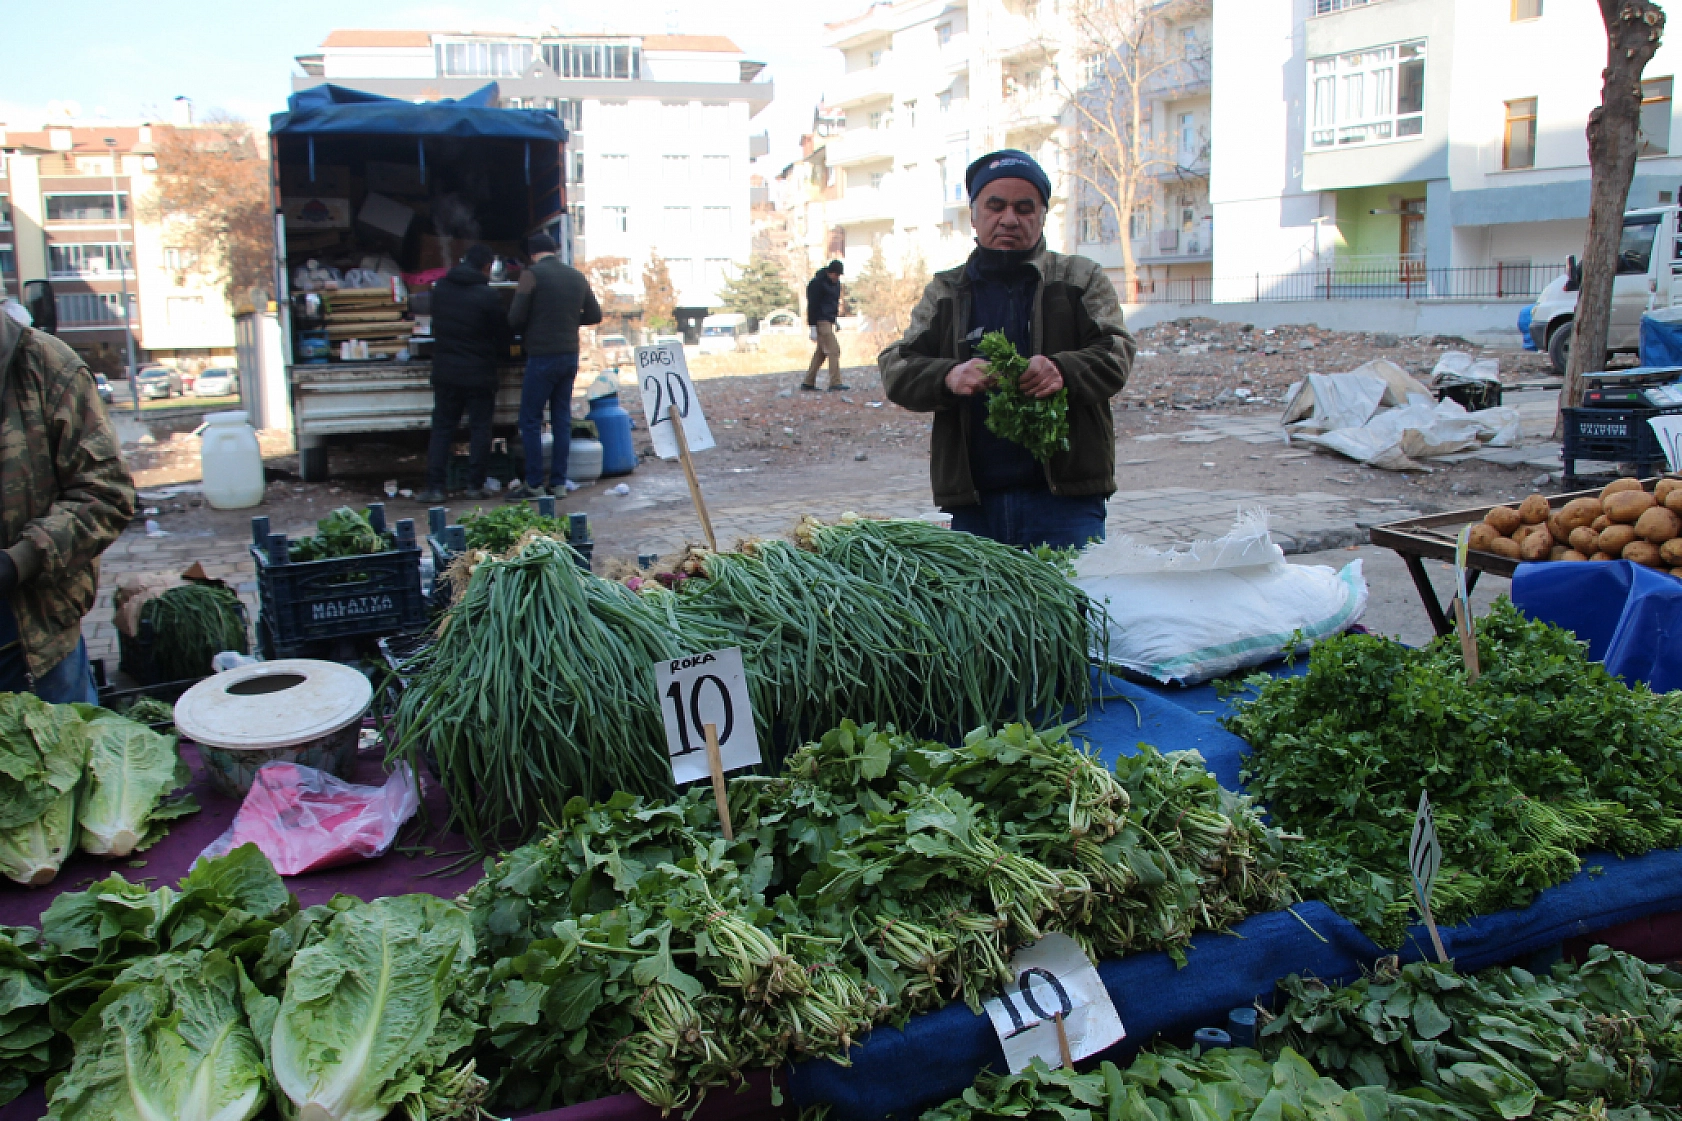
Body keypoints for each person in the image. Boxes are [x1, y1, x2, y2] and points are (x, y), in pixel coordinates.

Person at [881, 149, 1134, 550]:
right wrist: (949, 376)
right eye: (995, 206)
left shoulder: (1079, 279)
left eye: (1024, 207)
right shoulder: (947, 291)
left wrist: (1062, 370)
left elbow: (1116, 352)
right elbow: (897, 366)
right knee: (984, 614)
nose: (1010, 218)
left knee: (1071, 608)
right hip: (975, 503)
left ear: (1042, 215)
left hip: (1066, 501)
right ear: (975, 215)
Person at [0, 278, 136, 704]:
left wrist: (18, 562)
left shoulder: (45, 366)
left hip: (33, 650)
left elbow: (106, 494)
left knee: (63, 767)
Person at [508, 232, 602, 500]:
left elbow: (515, 318)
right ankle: (559, 483)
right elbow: (594, 315)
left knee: (531, 419)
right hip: (569, 355)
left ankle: (534, 483)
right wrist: (569, 321)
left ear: (531, 253)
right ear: (555, 250)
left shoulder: (531, 275)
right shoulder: (575, 276)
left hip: (541, 355)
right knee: (561, 418)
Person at [418, 244, 506, 504]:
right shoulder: (487, 296)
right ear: (486, 266)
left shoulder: (441, 289)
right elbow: (501, 335)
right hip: (479, 374)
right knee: (480, 429)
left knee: (443, 429)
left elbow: (435, 327)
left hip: (446, 372)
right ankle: (474, 486)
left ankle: (435, 487)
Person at [802, 259, 848, 392]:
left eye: (838, 275)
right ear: (829, 272)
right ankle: (835, 382)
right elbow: (813, 306)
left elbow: (832, 304)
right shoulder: (816, 284)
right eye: (835, 275)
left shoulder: (836, 285)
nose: (836, 278)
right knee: (834, 350)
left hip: (828, 320)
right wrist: (812, 326)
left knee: (821, 353)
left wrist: (835, 321)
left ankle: (808, 382)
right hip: (820, 321)